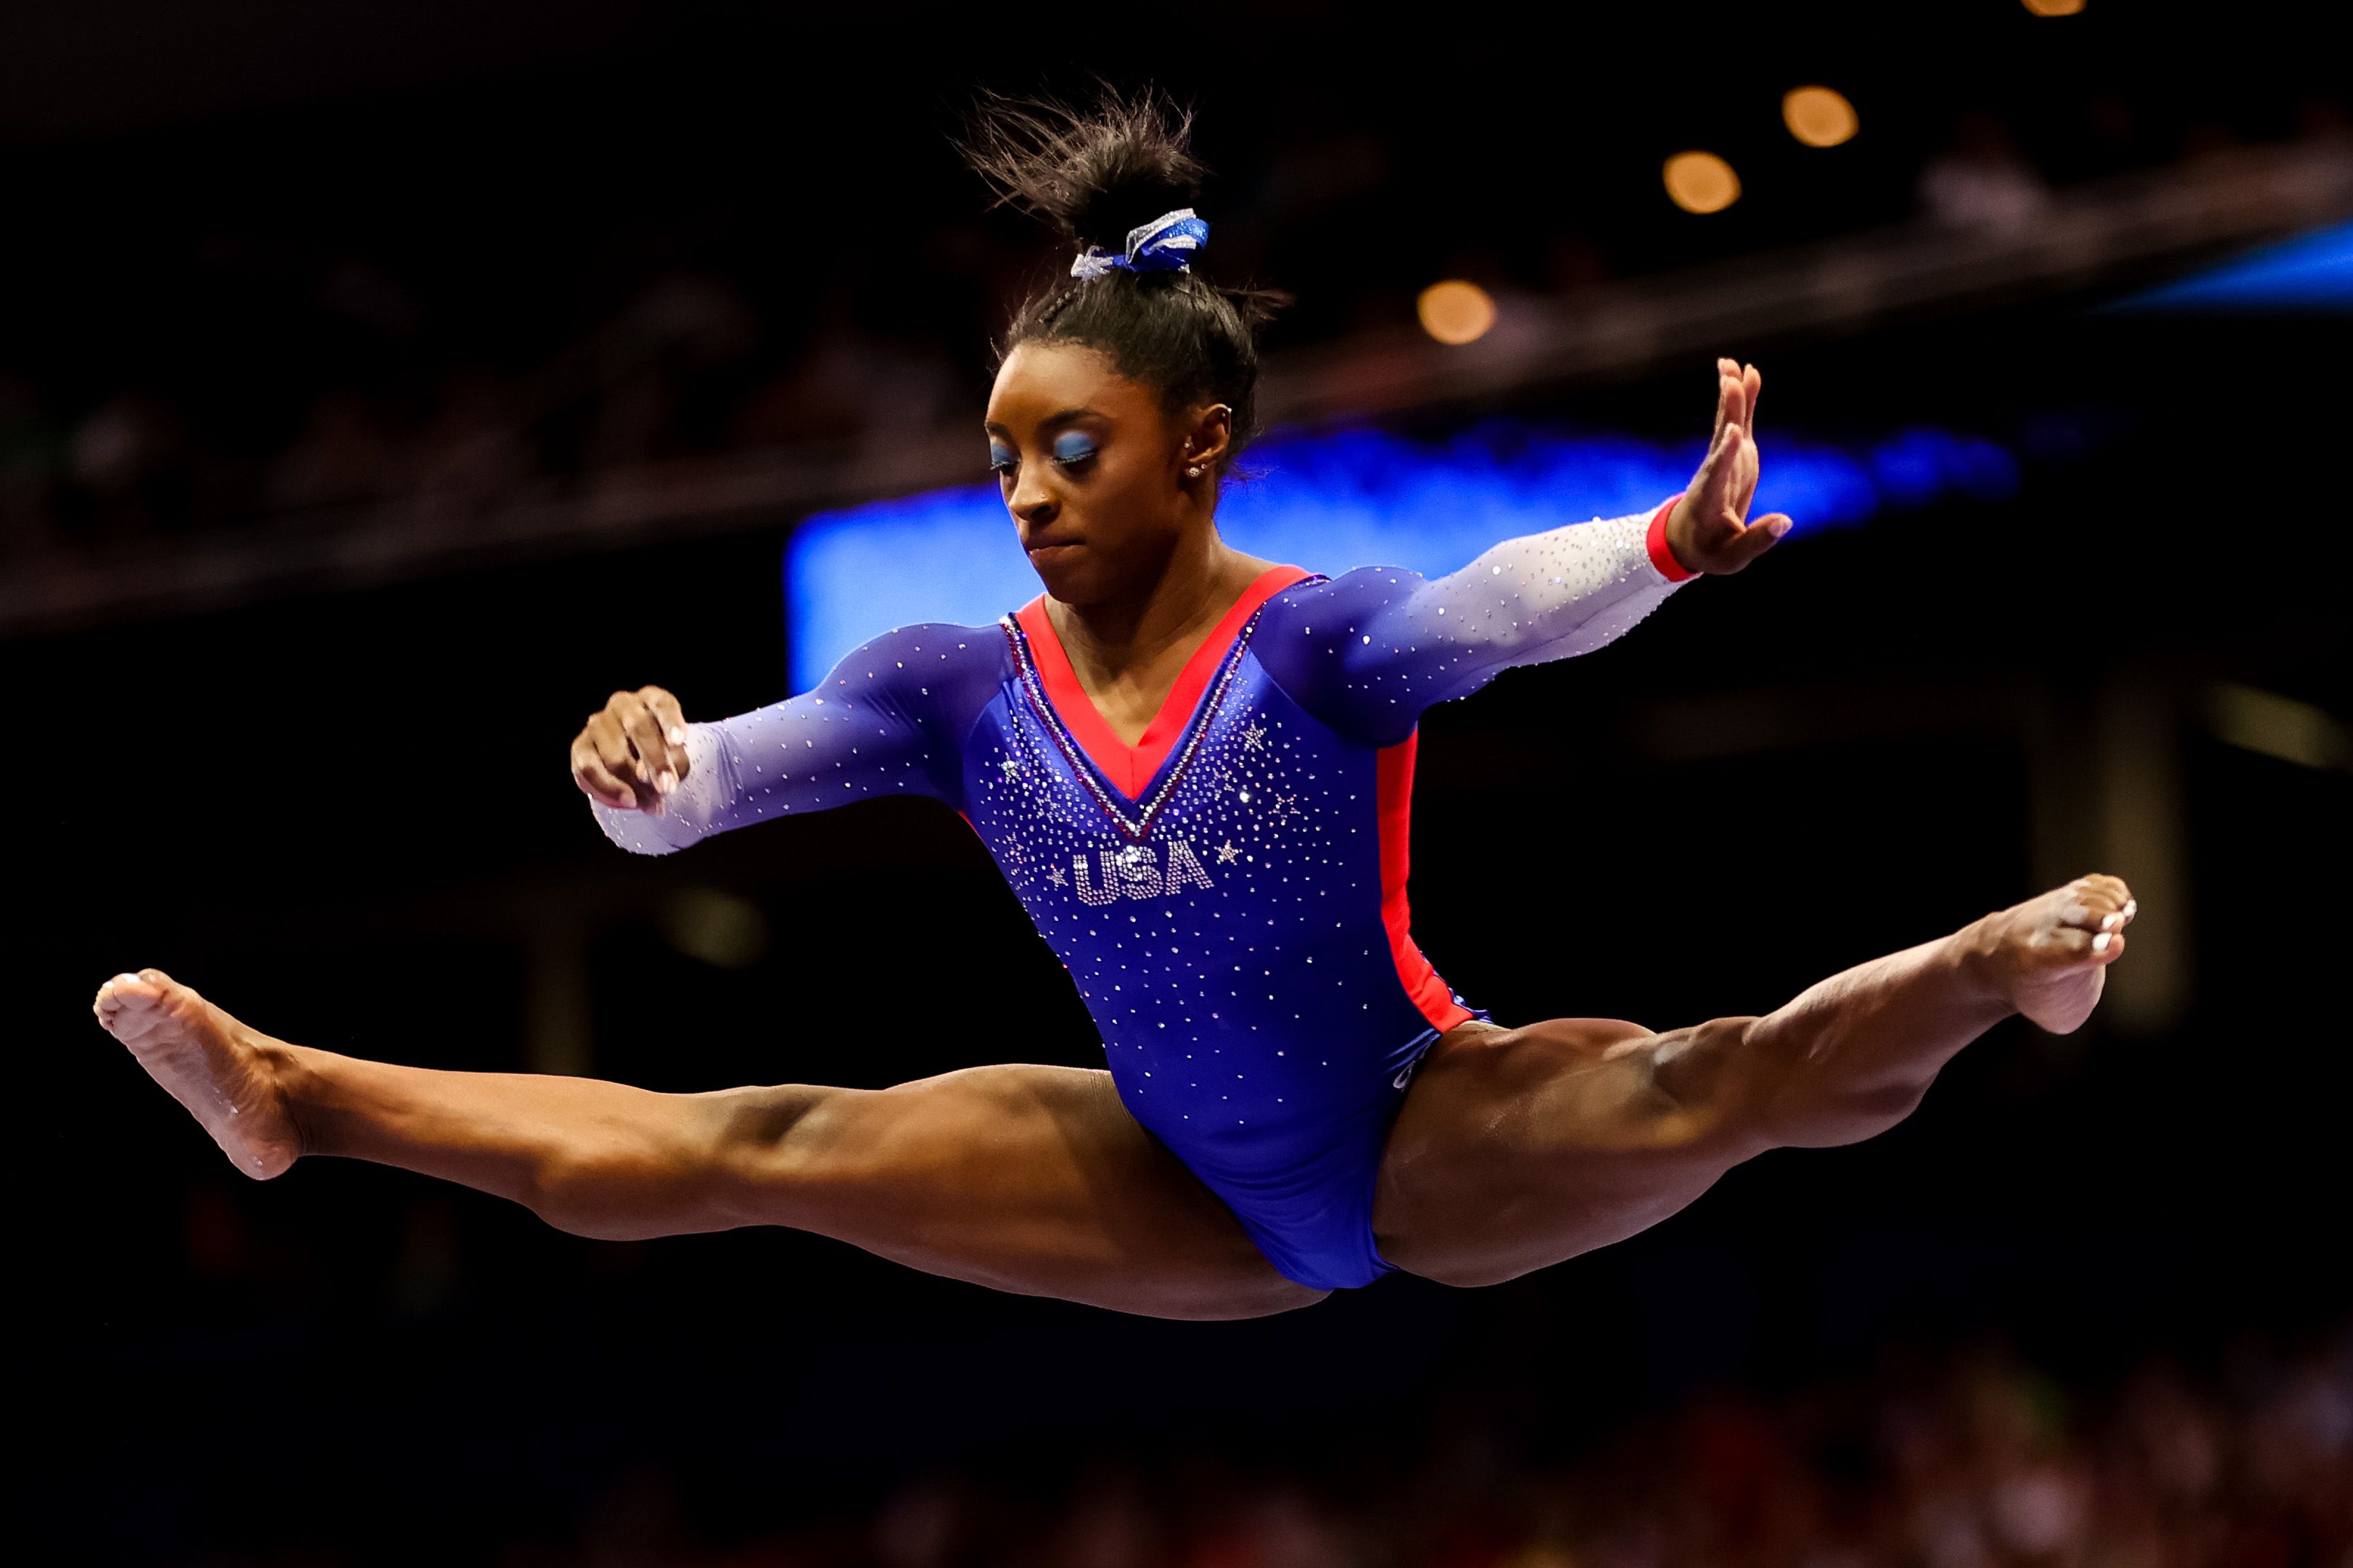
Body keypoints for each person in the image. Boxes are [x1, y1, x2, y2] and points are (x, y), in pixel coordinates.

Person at [93, 94, 2135, 1321]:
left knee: (1710, 1084)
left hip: (1418, 1125)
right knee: (765, 1138)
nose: (1026, 494)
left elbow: (1496, 609)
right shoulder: (944, 688)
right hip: (1163, 1170)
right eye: (1003, 456)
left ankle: (1984, 964)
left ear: (1202, 444)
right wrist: (638, 757)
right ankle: (298, 1093)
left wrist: (1668, 543)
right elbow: (685, 806)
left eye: (1072, 449)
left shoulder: (1316, 646)